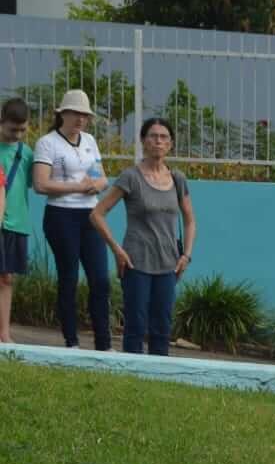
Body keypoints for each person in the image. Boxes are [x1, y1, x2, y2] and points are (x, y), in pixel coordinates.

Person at [90, 118, 196, 356]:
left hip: (168, 264)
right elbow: (97, 214)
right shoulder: (131, 177)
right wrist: (117, 249)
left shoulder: (177, 179)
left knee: (162, 328)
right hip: (136, 263)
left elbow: (190, 220)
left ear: (170, 144)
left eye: (164, 137)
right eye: (153, 136)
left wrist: (186, 256)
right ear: (143, 141)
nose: (158, 141)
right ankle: (132, 377)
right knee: (136, 327)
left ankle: (159, 380)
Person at [31, 89, 110, 349]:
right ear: (62, 114)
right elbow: (41, 184)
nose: (80, 119)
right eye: (75, 113)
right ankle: (72, 340)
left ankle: (104, 342)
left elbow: (102, 178)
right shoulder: (47, 143)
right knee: (69, 277)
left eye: (84, 115)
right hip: (61, 214)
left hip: (90, 214)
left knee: (100, 278)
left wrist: (95, 186)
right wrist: (77, 187)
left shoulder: (89, 140)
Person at [0, 97, 33, 344]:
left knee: (6, 278)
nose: (18, 135)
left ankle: (4, 333)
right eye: (13, 129)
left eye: (22, 130)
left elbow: (32, 182)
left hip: (16, 223)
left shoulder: (26, 153)